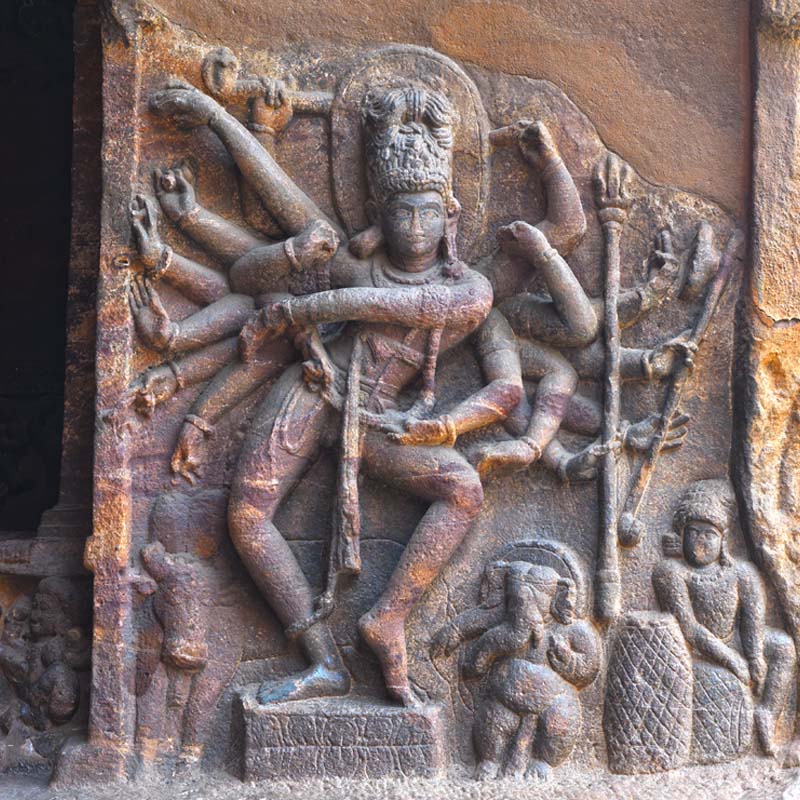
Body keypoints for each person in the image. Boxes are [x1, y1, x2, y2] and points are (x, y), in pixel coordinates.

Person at [653, 479, 796, 756]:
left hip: (736, 639)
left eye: (709, 534)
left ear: (724, 539)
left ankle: (767, 713)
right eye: (693, 532)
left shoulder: (741, 573)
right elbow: (690, 629)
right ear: (681, 536)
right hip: (697, 649)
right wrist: (732, 660)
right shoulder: (671, 572)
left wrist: (755, 657)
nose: (700, 540)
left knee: (783, 647)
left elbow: (752, 621)